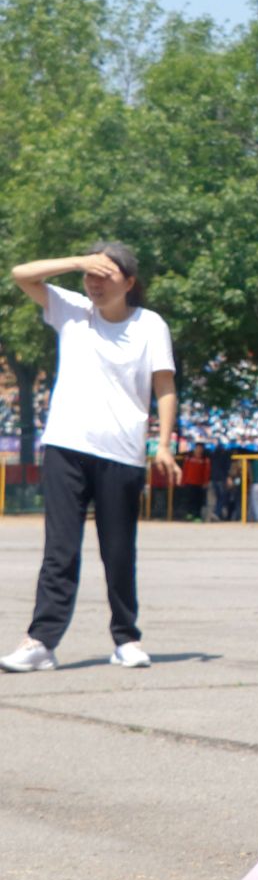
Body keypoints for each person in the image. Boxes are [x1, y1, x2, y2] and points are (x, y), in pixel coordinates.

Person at [1, 243, 177, 673]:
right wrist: (78, 262)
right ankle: (40, 642)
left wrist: (164, 444)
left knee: (118, 551)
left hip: (123, 452)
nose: (94, 283)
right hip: (66, 446)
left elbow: (165, 387)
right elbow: (22, 273)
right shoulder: (72, 310)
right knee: (59, 551)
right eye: (90, 275)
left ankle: (126, 639)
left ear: (129, 283)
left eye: (105, 275)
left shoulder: (150, 325)